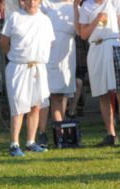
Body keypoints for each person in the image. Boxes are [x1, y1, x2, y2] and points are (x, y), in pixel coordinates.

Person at [78, 0, 120, 147]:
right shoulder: (86, 6)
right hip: (96, 48)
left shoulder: (116, 2)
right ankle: (111, 134)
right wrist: (96, 20)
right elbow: (83, 34)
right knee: (102, 94)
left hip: (114, 46)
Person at [1, 0, 55, 156]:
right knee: (19, 105)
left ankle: (31, 141)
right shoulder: (15, 17)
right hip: (19, 66)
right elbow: (4, 41)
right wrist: (14, 56)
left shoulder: (45, 20)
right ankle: (14, 143)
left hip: (39, 66)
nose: (32, 2)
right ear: (22, 2)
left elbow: (50, 43)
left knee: (36, 105)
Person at [42, 0, 78, 142]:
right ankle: (53, 132)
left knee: (63, 95)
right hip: (51, 50)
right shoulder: (46, 3)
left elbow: (78, 28)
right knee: (54, 95)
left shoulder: (73, 5)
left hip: (68, 52)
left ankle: (60, 130)